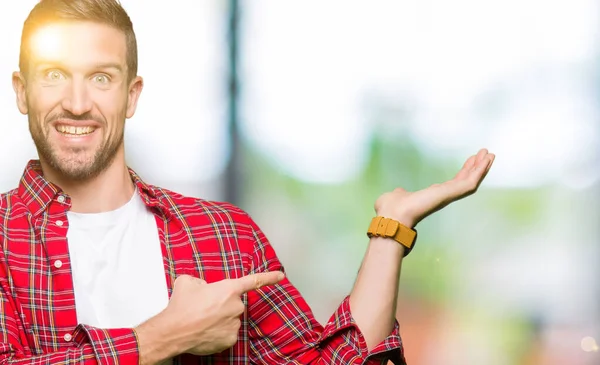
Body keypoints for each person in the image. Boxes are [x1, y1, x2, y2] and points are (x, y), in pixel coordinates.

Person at [0, 0, 495, 364]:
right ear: (22, 92)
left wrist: (391, 229)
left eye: (102, 78)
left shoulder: (224, 236)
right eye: (53, 75)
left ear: (132, 96)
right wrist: (167, 335)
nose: (79, 103)